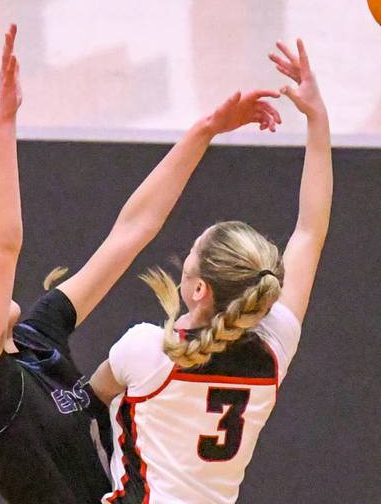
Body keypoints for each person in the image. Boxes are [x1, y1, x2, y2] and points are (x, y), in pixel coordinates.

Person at [0, 24, 283, 504]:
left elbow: (130, 232)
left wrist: (205, 130)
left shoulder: (37, 338)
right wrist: (4, 124)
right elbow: (2, 247)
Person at [90, 39, 333, 504]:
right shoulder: (274, 345)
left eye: (191, 254)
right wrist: (317, 120)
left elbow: (81, 408)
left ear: (198, 288)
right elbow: (309, 232)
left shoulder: (147, 350)